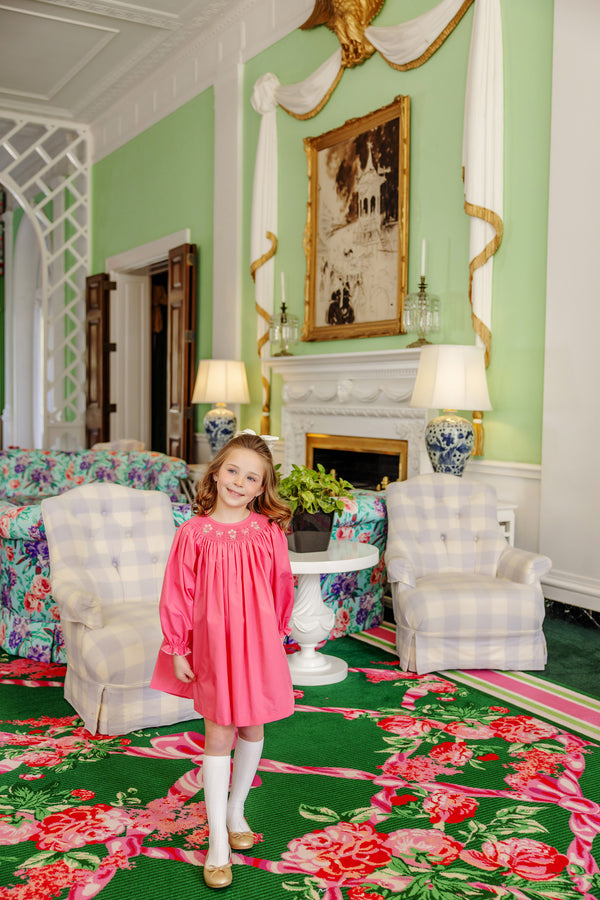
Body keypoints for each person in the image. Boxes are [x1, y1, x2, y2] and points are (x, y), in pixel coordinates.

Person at [151, 432, 295, 889]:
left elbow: (281, 584)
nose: (238, 482)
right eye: (232, 470)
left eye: (251, 477)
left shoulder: (268, 532)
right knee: (218, 733)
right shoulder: (192, 533)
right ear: (216, 473)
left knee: (253, 728)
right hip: (213, 647)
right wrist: (177, 647)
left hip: (258, 645)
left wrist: (277, 636)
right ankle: (217, 843)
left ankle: (236, 811)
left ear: (261, 488)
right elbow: (178, 593)